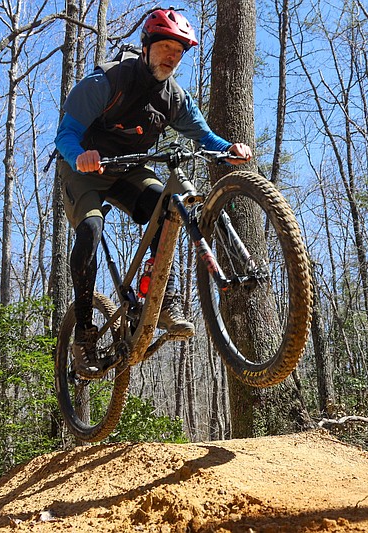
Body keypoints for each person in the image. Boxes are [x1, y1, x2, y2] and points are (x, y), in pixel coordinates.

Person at [54, 8, 252, 378]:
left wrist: (230, 150)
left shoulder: (174, 98)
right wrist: (81, 155)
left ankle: (161, 298)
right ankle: (83, 332)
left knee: (168, 209)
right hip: (85, 169)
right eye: (164, 47)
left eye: (178, 52)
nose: (171, 57)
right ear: (146, 46)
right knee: (91, 231)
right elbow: (65, 133)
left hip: (129, 170)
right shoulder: (106, 82)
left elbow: (205, 137)